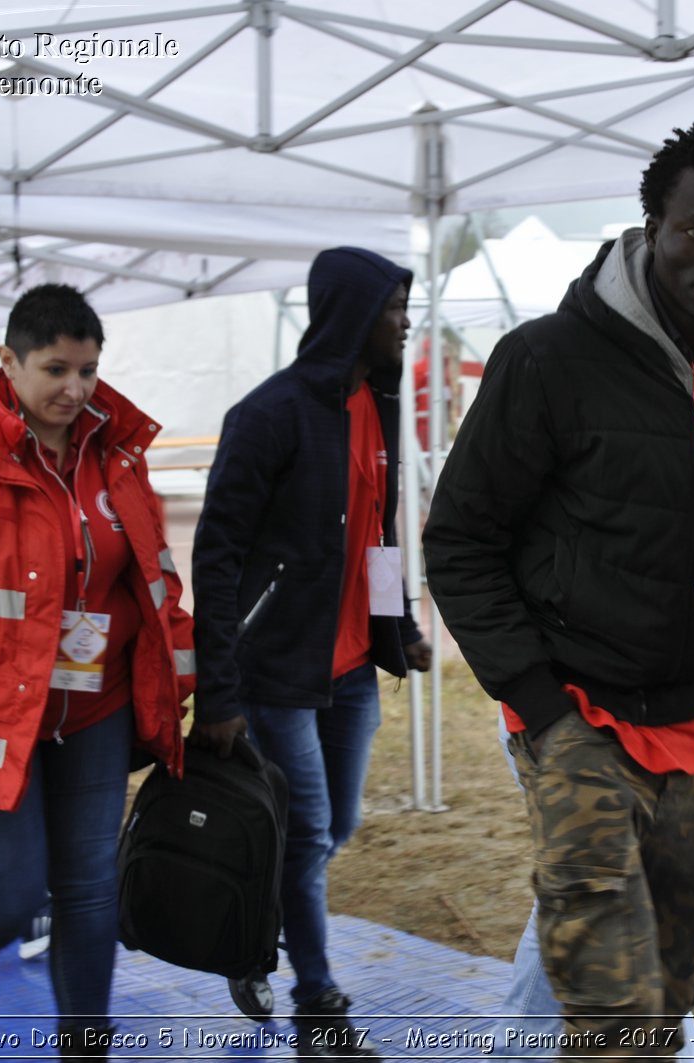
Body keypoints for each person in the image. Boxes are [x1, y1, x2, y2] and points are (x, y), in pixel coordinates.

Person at [423, 117, 694, 1055]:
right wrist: (541, 707)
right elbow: (462, 540)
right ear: (651, 224)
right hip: (579, 708)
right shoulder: (547, 358)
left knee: (670, 988)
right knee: (607, 991)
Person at [0, 284, 195, 1058]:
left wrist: (189, 688)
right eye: (56, 368)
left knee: (86, 892)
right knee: (9, 897)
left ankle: (87, 1044)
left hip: (95, 711)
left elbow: (156, 583)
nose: (74, 389)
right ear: (7, 361)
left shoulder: (115, 454)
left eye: (87, 369)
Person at [189, 246, 432, 1054]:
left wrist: (397, 628)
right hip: (277, 669)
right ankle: (318, 1003)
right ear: (355, 315)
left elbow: (378, 536)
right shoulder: (269, 414)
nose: (406, 321)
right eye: (396, 307)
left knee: (335, 826)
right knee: (308, 829)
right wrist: (219, 690)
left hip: (352, 667)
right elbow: (215, 555)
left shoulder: (378, 402)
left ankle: (252, 931)